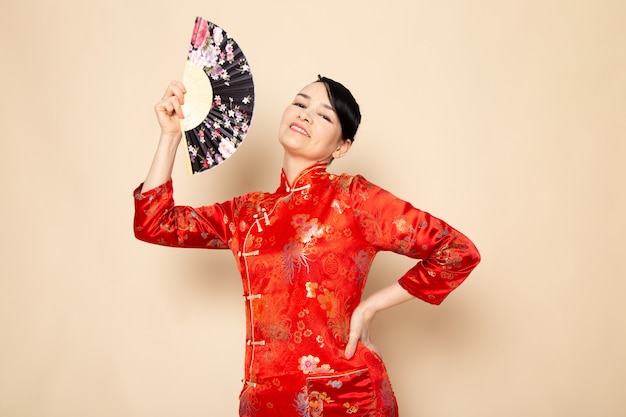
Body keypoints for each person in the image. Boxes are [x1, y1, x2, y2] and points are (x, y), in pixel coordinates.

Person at [133, 76, 481, 417]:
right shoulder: (247, 212)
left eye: (324, 115)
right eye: (300, 104)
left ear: (341, 147)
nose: (305, 114)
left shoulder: (352, 197)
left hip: (342, 398)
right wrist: (170, 137)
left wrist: (369, 307)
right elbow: (155, 224)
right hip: (262, 403)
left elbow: (456, 251)